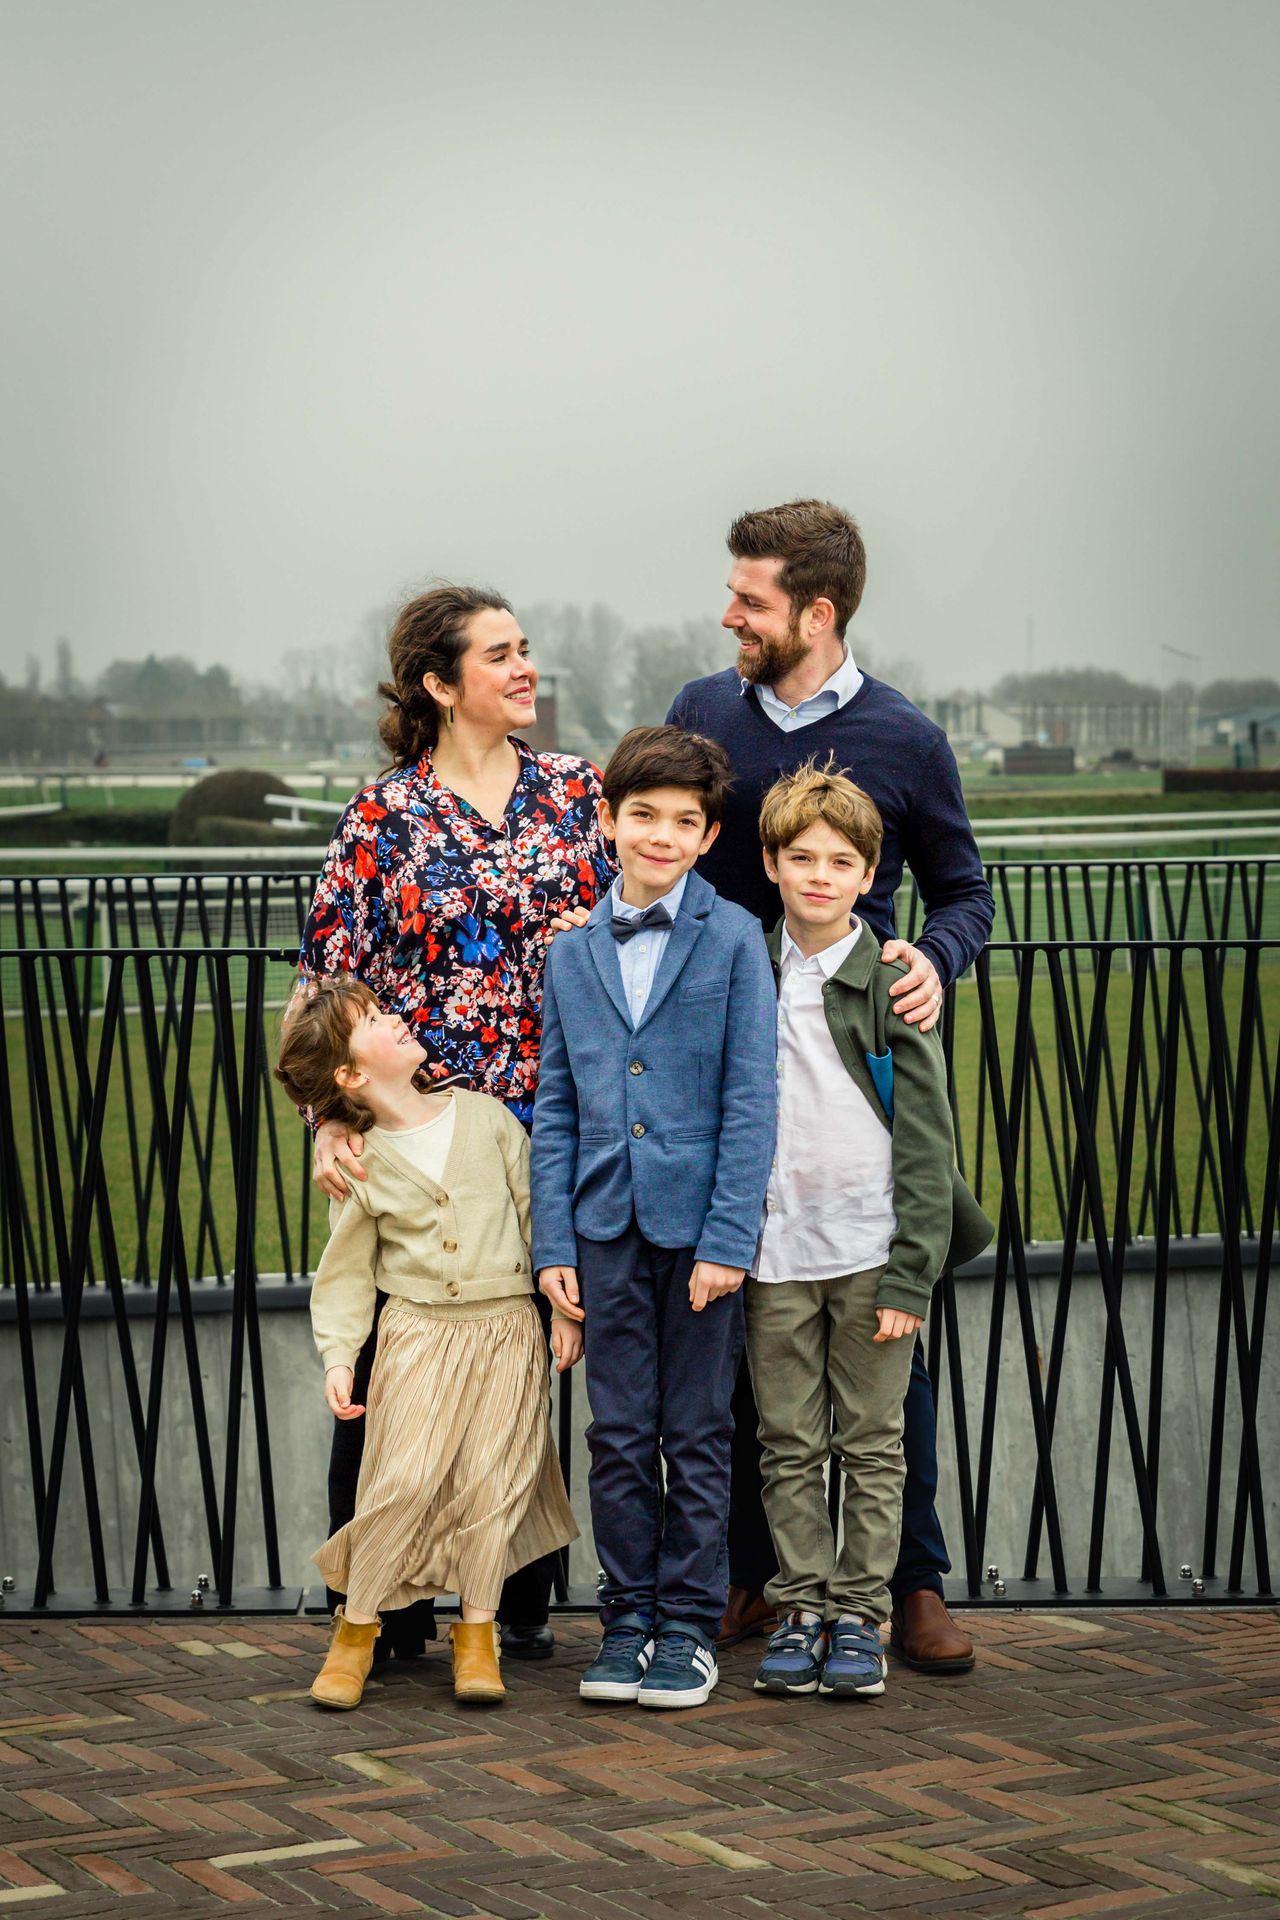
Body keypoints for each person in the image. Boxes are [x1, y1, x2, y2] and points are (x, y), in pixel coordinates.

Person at [666, 500, 995, 1673]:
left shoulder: (904, 737)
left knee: (875, 1359)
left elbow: (965, 894)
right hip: (728, 1068)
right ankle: (759, 1579)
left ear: (816, 611)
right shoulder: (704, 712)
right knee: (751, 1350)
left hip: (852, 1076)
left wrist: (931, 964)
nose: (728, 615)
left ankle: (906, 1585)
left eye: (749, 599)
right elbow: (666, 838)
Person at [298, 584, 614, 1667]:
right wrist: (324, 1120)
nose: (525, 669)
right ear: (439, 686)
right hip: (418, 1133)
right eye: (499, 656)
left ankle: (513, 1597)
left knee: (523, 1360)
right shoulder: (380, 817)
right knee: (395, 1370)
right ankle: (384, 1608)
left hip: (552, 1128)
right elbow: (330, 980)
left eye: (526, 651)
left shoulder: (581, 794)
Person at [531, 726, 776, 1709]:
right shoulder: (574, 954)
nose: (661, 836)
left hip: (697, 1237)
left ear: (708, 833)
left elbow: (750, 1096)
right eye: (643, 817)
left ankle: (686, 1624)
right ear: (608, 822)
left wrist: (727, 1239)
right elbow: (555, 1103)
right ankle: (625, 1616)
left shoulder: (731, 940)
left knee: (699, 1431)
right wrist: (554, 1243)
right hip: (601, 1230)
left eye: (683, 821)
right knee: (618, 1433)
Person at [747, 764, 993, 1699]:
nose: (818, 875)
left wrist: (911, 1275)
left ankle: (861, 1612)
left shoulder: (895, 977)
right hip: (773, 1251)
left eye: (840, 861)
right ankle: (801, 1602)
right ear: (770, 863)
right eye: (800, 856)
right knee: (787, 1440)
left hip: (869, 1251)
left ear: (868, 874)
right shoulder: (746, 967)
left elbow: (929, 1141)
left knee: (874, 1441)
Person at [276, 976, 581, 1709]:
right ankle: (357, 1627)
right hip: (415, 1334)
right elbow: (345, 1274)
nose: (398, 1018)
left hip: (507, 1331)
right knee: (400, 1481)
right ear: (350, 1076)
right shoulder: (363, 1159)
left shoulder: (488, 1118)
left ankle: (476, 1636)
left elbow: (539, 1218)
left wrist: (563, 1311)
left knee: (492, 1485)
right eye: (377, 1020)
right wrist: (341, 1358)